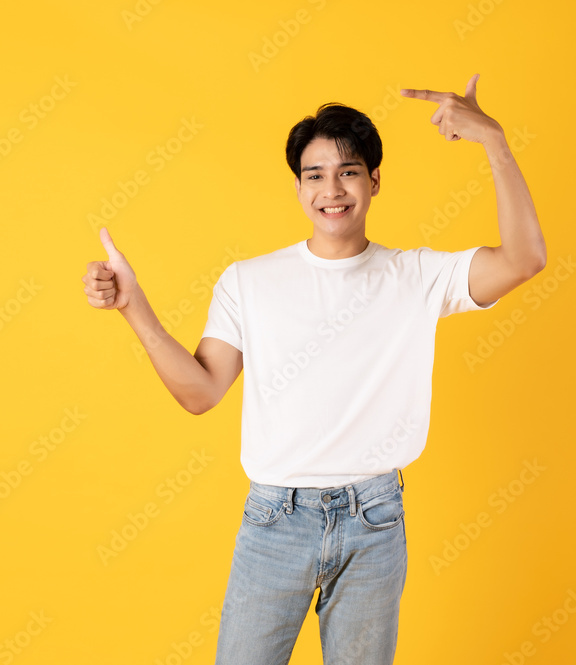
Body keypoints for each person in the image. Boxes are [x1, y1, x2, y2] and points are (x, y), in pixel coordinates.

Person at [80, 74, 546, 665]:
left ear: (375, 180)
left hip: (374, 521)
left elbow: (526, 257)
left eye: (349, 171)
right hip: (275, 519)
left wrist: (494, 143)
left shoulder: (418, 276)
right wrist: (133, 308)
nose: (333, 189)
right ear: (299, 188)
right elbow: (200, 393)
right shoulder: (249, 281)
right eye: (315, 174)